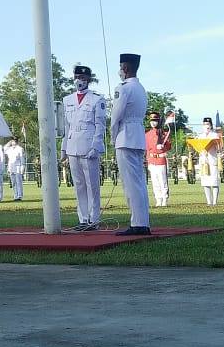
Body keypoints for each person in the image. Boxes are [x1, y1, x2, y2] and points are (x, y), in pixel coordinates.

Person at [61, 65, 107, 230]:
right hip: (72, 145)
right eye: (77, 77)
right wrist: (63, 149)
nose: (79, 81)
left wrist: (96, 146)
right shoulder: (67, 100)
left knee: (92, 184)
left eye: (83, 78)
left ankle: (93, 220)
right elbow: (67, 127)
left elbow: (100, 125)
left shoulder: (97, 99)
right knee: (79, 184)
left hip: (89, 146)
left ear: (89, 79)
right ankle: (83, 219)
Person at [109, 54, 148, 234]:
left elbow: (116, 116)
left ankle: (138, 223)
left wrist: (113, 136)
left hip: (125, 136)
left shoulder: (123, 88)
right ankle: (142, 221)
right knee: (138, 182)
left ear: (125, 68)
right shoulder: (140, 88)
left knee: (130, 183)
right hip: (138, 135)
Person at [145, 111, 171, 208]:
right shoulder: (147, 134)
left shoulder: (163, 133)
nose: (153, 122)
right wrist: (148, 160)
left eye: (155, 120)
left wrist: (163, 146)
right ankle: (158, 199)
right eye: (151, 120)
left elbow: (168, 146)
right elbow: (147, 149)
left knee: (162, 180)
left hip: (160, 160)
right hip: (152, 160)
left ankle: (164, 198)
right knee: (155, 181)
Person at [197, 117, 222, 206]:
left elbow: (219, 147)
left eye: (208, 124)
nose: (206, 126)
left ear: (211, 125)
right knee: (205, 182)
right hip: (203, 160)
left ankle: (215, 201)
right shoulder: (200, 136)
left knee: (214, 181)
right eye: (205, 124)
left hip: (212, 159)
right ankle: (209, 201)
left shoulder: (215, 135)